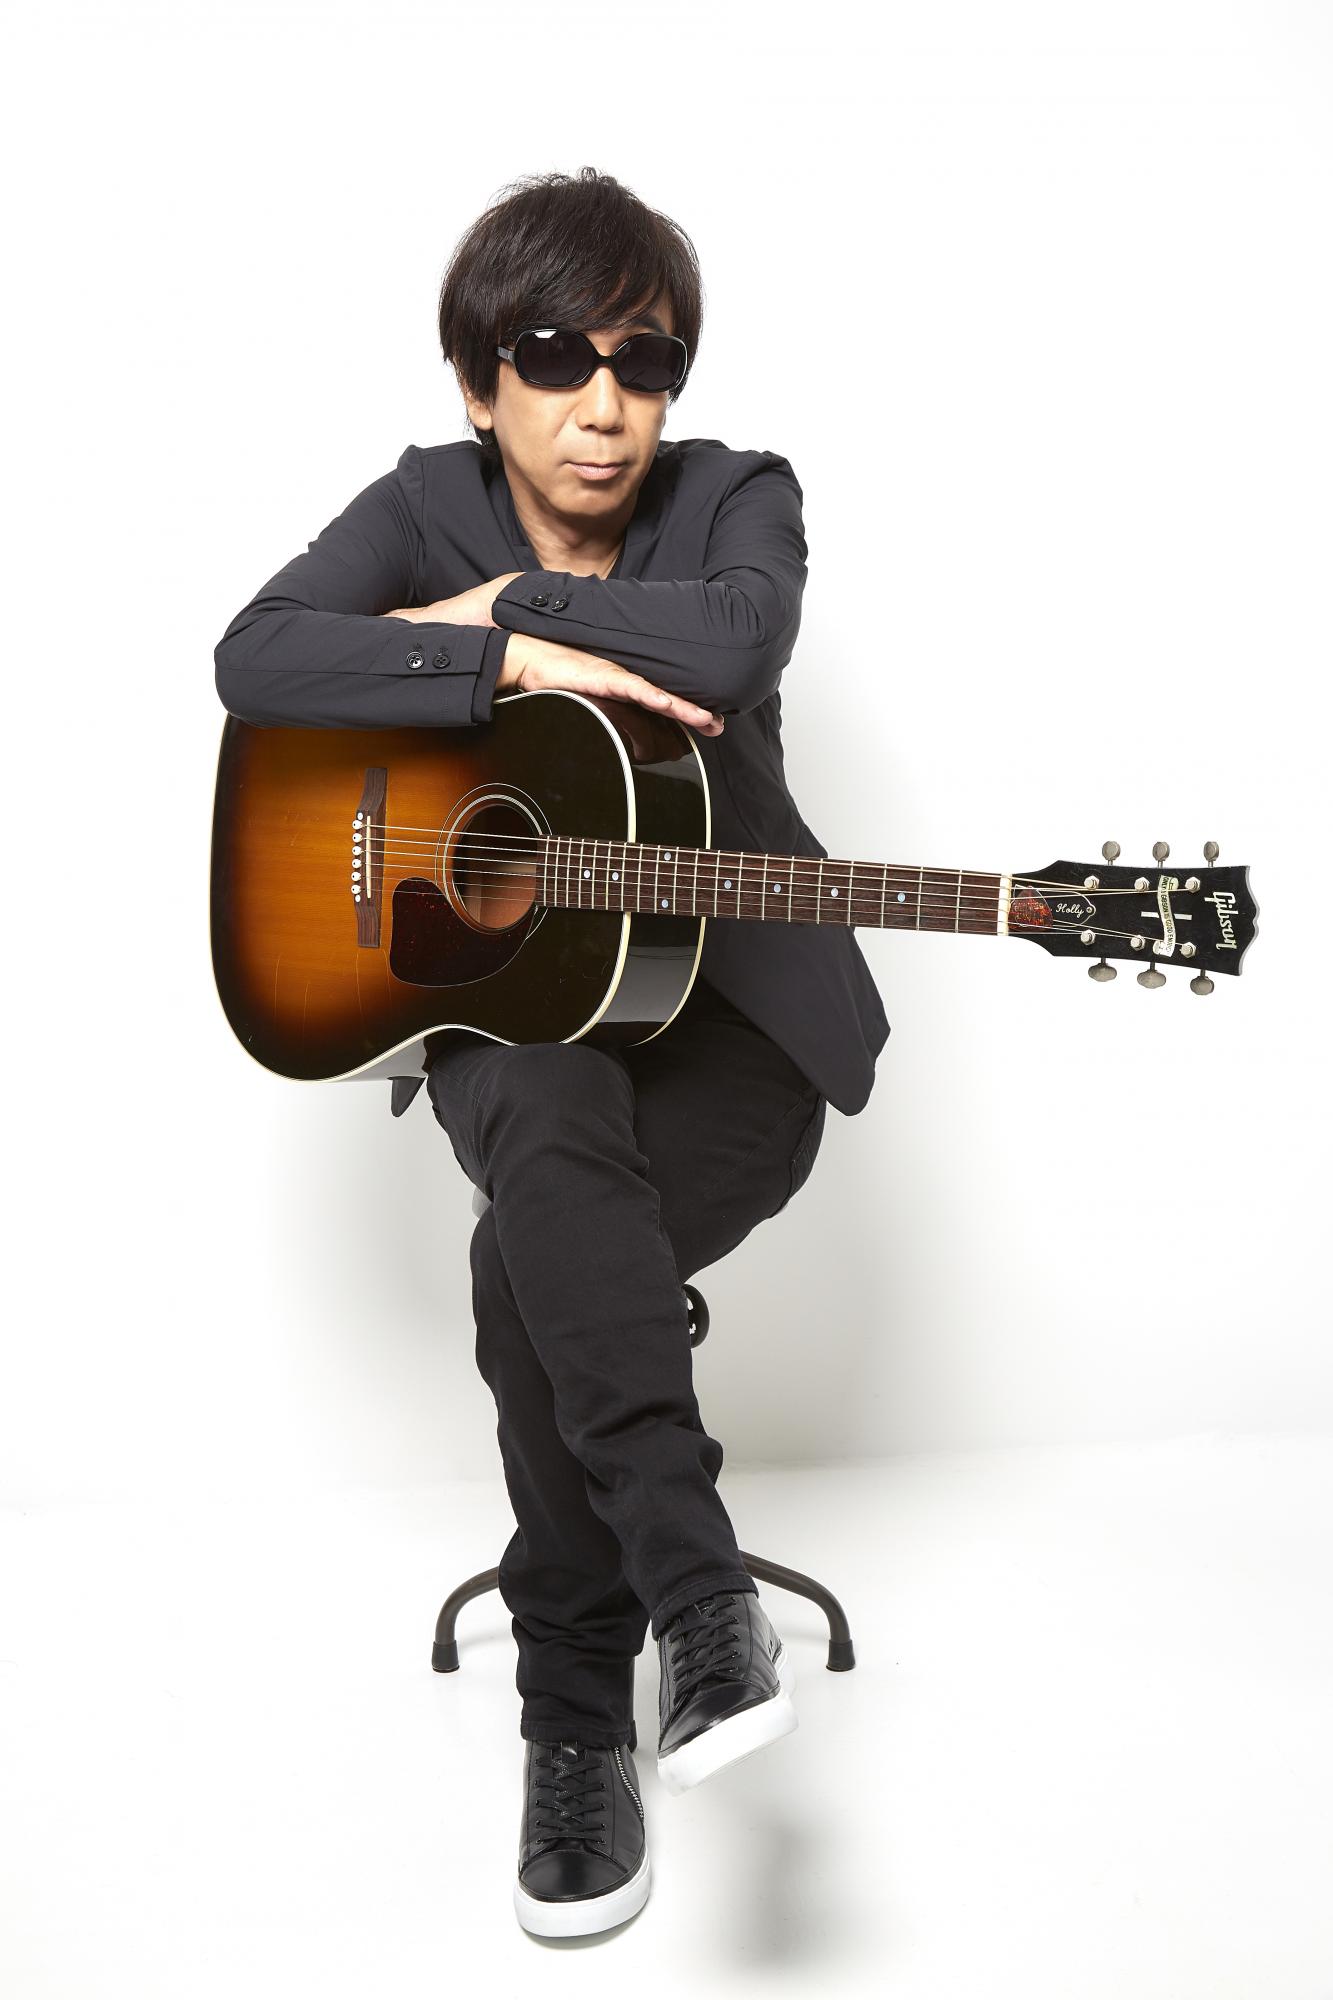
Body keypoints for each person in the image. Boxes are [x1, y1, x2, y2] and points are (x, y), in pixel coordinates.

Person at [214, 166, 890, 1940]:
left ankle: (575, 1699)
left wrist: (499, 616)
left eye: (641, 362)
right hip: (516, 1014)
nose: (604, 405)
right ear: (477, 380)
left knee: (533, 1270)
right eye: (553, 357)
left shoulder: (732, 498)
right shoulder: (414, 506)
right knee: (535, 1104)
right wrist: (500, 667)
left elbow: (735, 637)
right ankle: (687, 1608)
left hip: (731, 1024)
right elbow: (257, 657)